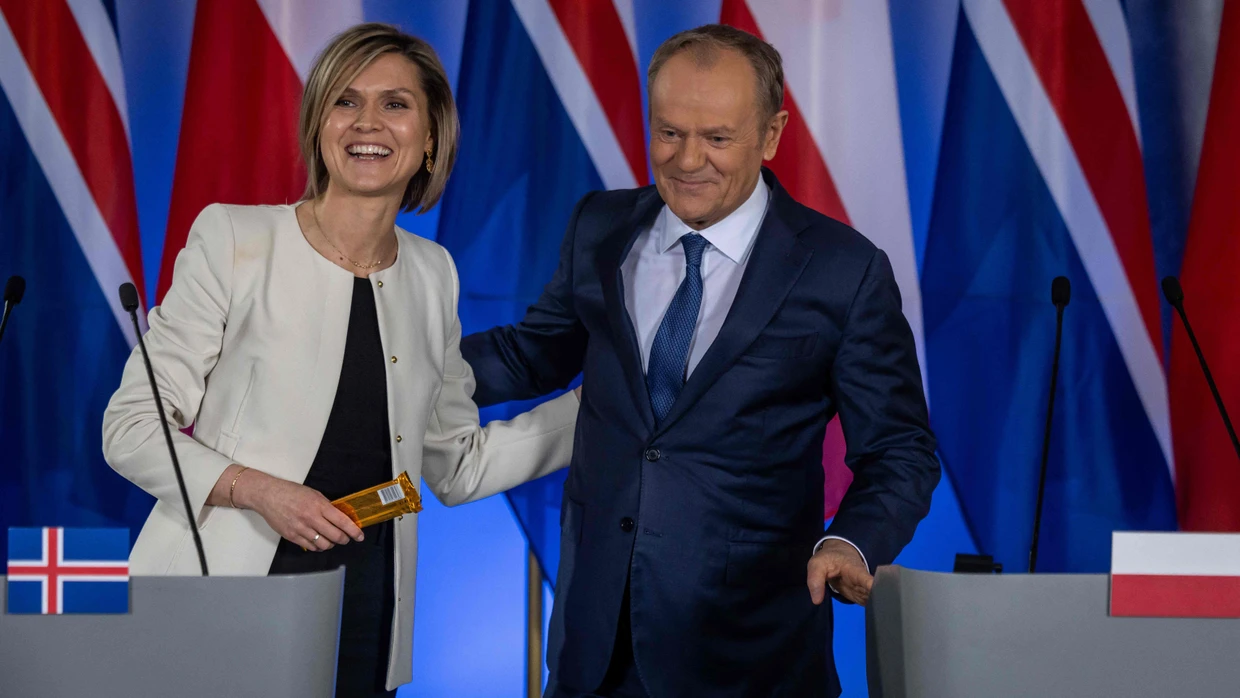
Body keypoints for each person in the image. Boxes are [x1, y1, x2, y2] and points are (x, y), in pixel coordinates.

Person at [461, 24, 940, 697]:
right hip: (594, 648)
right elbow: (532, 353)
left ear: (771, 135)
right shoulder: (600, 225)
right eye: (669, 133)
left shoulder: (843, 271)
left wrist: (851, 542)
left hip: (751, 654)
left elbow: (899, 448)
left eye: (717, 137)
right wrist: (398, 368)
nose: (688, 160)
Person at [102, 23, 577, 697]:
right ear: (319, 123)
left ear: (431, 137)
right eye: (346, 101)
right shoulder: (235, 238)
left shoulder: (433, 273)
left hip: (367, 609)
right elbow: (130, 428)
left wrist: (597, 410)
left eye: (396, 104)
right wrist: (261, 491)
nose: (368, 123)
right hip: (228, 594)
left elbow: (453, 463)